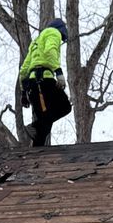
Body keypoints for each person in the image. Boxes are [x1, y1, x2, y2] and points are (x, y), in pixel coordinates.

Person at [17, 18, 73, 147]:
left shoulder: (35, 42)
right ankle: (35, 126)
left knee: (42, 128)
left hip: (32, 86)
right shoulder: (53, 33)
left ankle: (35, 159)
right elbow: (50, 51)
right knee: (64, 107)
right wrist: (58, 72)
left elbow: (24, 69)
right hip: (44, 82)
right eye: (63, 37)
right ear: (61, 30)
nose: (61, 40)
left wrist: (23, 93)